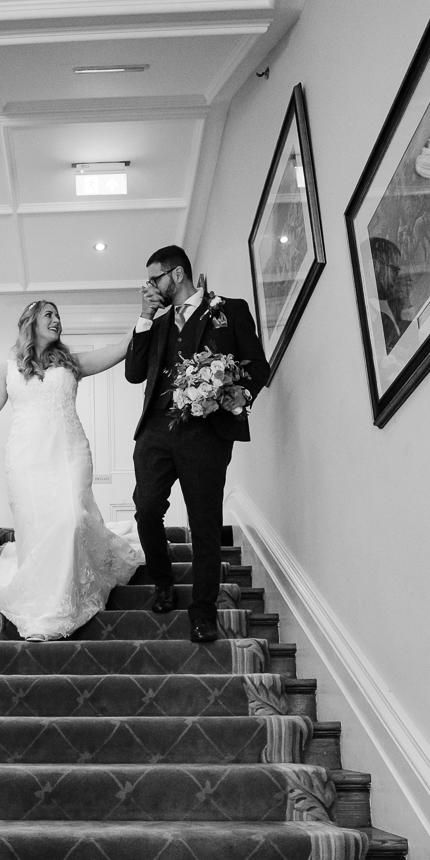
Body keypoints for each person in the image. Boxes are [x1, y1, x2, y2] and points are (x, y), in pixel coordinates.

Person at [0, 301, 143, 640]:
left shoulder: (72, 363)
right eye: (49, 315)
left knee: (72, 519)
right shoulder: (7, 369)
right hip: (26, 459)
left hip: (70, 452)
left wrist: (145, 313)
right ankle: (46, 602)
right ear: (31, 322)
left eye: (58, 316)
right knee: (40, 527)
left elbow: (120, 349)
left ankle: (67, 599)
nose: (57, 321)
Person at [126, 245, 270, 643]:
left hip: (206, 434)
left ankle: (203, 611)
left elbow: (258, 368)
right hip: (156, 431)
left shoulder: (231, 310)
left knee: (204, 523)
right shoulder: (154, 325)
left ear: (175, 275)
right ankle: (163, 582)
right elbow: (134, 374)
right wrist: (143, 317)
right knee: (146, 508)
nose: (149, 287)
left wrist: (228, 398)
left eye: (154, 279)